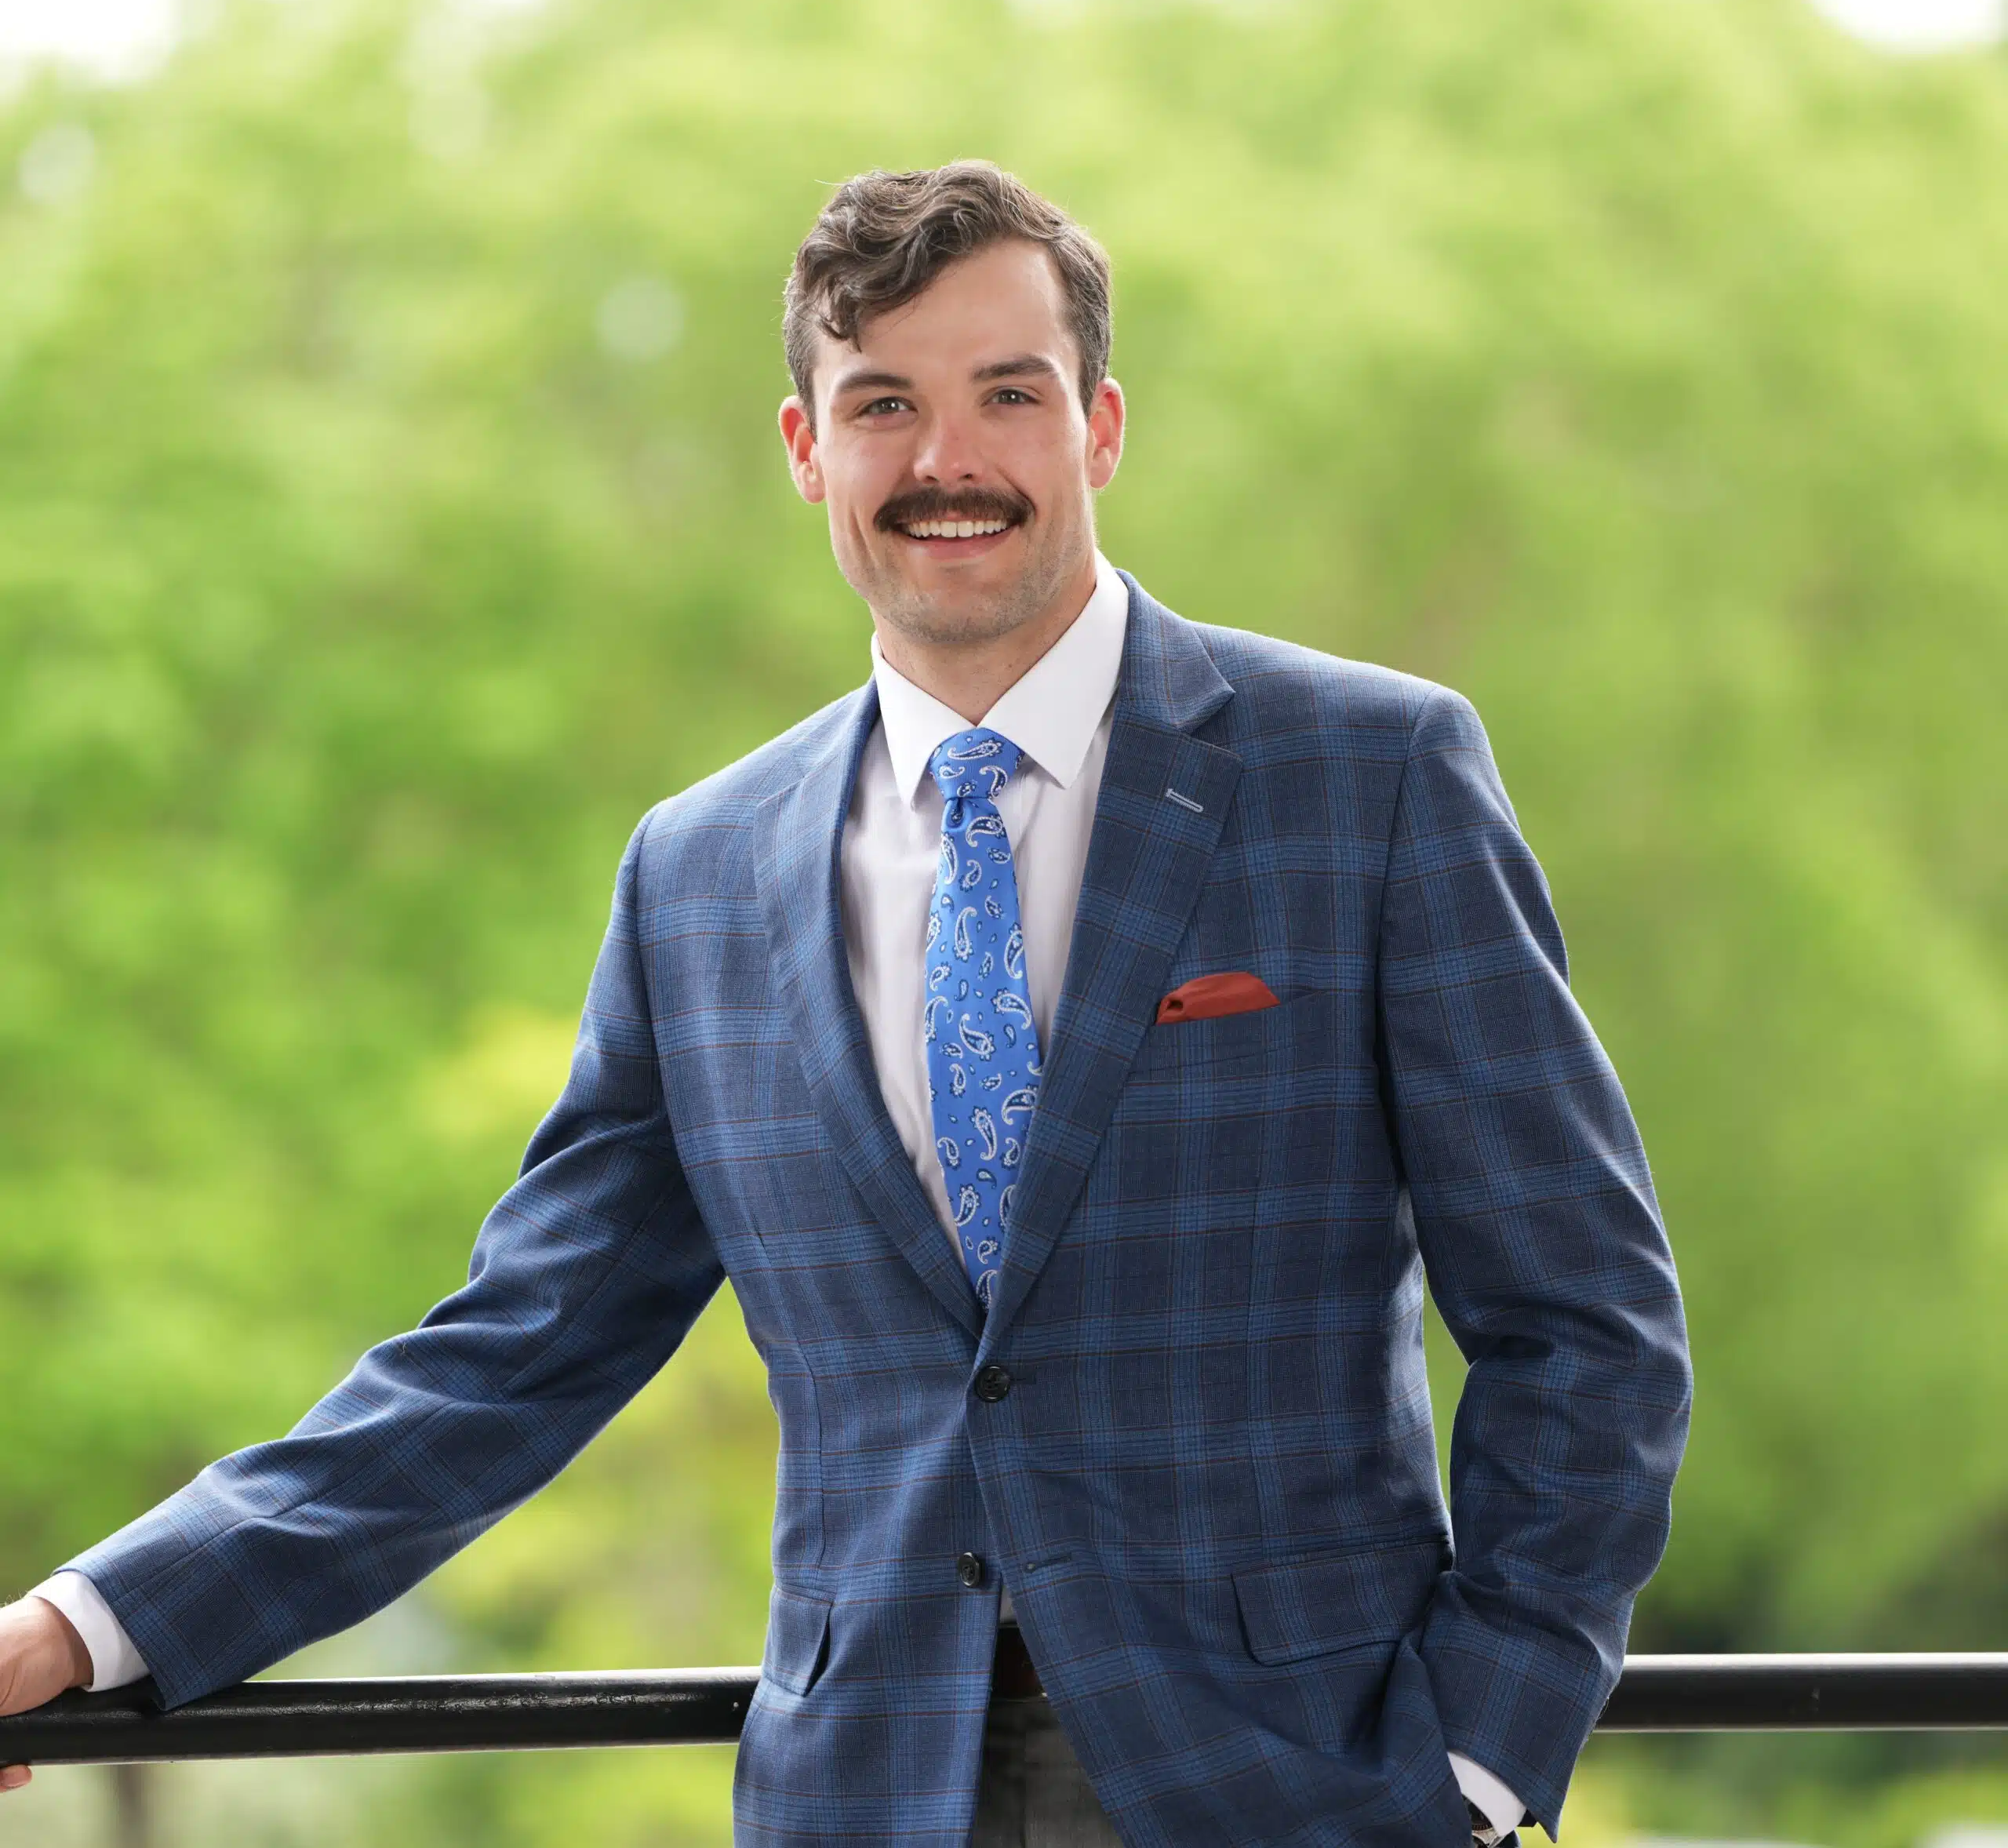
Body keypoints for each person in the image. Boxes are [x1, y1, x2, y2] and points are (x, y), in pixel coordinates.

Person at [0, 162, 1691, 1846]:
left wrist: (1479, 1759)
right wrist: (88, 1622)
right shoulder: (698, 874)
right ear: (807, 447)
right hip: (864, 1789)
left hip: (1301, 1786)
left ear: (1099, 428)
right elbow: (515, 1353)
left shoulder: (1369, 775)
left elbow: (1584, 1317)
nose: (947, 461)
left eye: (1006, 395)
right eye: (883, 403)